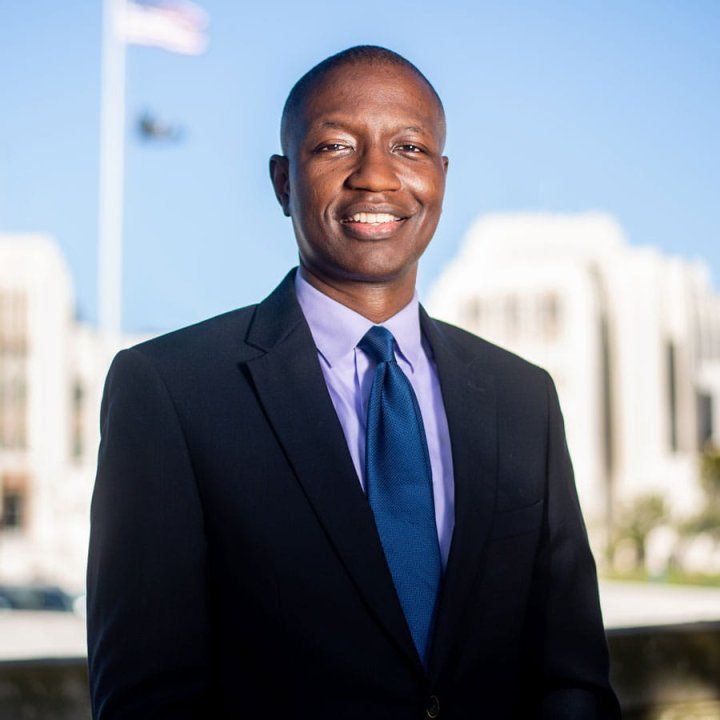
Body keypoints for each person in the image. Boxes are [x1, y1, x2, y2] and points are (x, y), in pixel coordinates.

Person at [86, 45, 621, 719]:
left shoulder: (522, 398)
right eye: (336, 146)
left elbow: (572, 674)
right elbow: (147, 697)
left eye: (409, 148)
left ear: (442, 177)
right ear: (283, 182)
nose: (376, 176)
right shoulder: (170, 390)